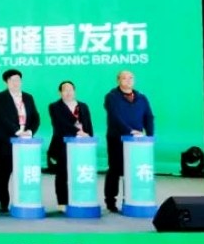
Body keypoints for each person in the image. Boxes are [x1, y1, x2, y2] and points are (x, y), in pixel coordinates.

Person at [0, 69, 41, 213]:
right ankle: (3, 202)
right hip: (5, 141)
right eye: (12, 80)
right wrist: (17, 132)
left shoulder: (28, 97)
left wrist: (30, 132)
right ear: (7, 82)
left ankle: (24, 199)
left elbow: (35, 117)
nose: (16, 83)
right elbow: (1, 118)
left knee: (24, 172)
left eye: (18, 80)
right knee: (3, 175)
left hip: (26, 142)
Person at [103, 70, 155, 213]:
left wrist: (149, 136)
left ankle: (130, 199)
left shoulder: (141, 97)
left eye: (131, 78)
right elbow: (115, 117)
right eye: (124, 78)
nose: (128, 80)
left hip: (137, 142)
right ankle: (111, 201)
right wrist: (129, 131)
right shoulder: (111, 97)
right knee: (115, 169)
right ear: (118, 80)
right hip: (117, 138)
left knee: (133, 170)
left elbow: (149, 116)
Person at [48, 80, 94, 211]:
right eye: (65, 90)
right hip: (62, 144)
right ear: (60, 92)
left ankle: (80, 199)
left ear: (74, 91)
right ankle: (62, 202)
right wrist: (77, 132)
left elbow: (88, 125)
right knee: (62, 174)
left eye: (70, 90)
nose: (68, 92)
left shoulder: (83, 106)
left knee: (80, 172)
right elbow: (59, 124)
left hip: (82, 145)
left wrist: (89, 138)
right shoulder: (54, 106)